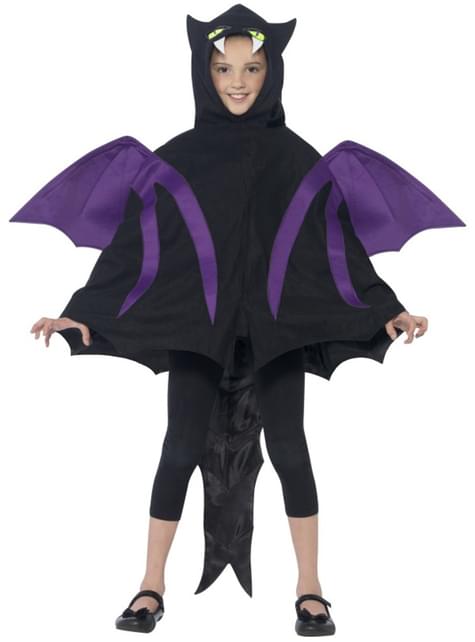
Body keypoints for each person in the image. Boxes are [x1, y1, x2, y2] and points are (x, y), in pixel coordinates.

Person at [16, 3, 463, 637]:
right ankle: (150, 585)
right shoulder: (175, 160)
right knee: (179, 446)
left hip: (277, 327)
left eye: (252, 68)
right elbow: (134, 243)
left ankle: (310, 588)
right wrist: (82, 311)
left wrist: (385, 307)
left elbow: (336, 243)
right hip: (199, 327)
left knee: (290, 447)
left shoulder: (297, 159)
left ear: (271, 71)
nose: (237, 81)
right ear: (204, 72)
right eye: (223, 68)